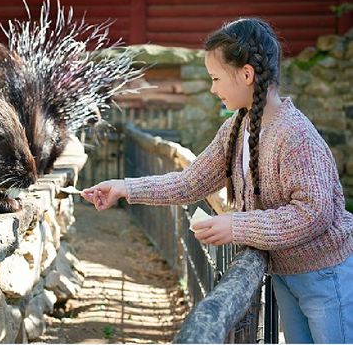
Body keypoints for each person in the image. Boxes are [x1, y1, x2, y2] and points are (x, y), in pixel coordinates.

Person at [81, 17, 353, 344]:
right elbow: (190, 182)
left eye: (215, 78)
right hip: (287, 275)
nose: (211, 88)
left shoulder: (295, 137)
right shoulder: (235, 129)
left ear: (247, 75)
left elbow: (313, 214)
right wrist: (125, 188)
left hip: (326, 277)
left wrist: (237, 225)